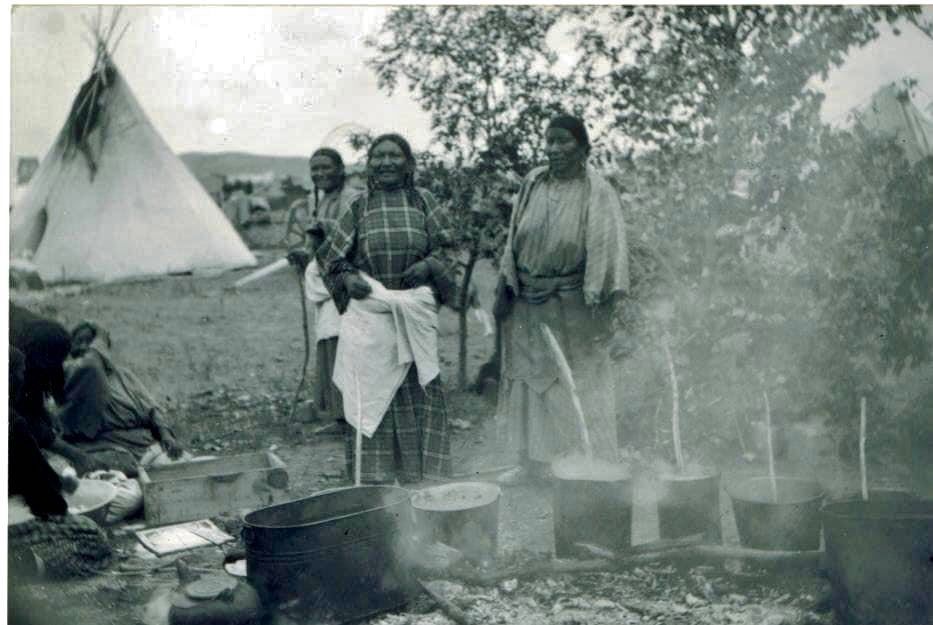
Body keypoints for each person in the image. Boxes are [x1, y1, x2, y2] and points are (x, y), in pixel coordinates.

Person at [494, 114, 630, 482]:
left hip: (572, 301)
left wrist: (599, 299)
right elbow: (513, 236)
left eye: (563, 142)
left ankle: (588, 466)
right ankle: (533, 465)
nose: (554, 149)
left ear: (583, 148)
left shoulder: (596, 190)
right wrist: (508, 282)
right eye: (549, 141)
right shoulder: (533, 182)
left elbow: (608, 247)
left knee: (577, 382)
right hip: (529, 299)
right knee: (529, 381)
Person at [321, 133, 458, 484]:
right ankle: (376, 487)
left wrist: (428, 267)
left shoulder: (424, 202)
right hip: (372, 325)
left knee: (417, 393)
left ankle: (422, 483)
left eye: (394, 155)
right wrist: (349, 278)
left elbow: (450, 250)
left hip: (412, 321)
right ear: (369, 165)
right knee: (374, 398)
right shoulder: (359, 207)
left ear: (409, 163)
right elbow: (332, 259)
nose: (385, 162)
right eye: (378, 156)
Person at [287, 147, 364, 422]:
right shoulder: (320, 200)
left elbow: (355, 237)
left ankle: (347, 415)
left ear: (341, 169)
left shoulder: (352, 197)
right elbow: (316, 244)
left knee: (342, 344)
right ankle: (335, 411)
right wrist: (304, 253)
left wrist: (323, 229)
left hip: (345, 281)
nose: (320, 174)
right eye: (315, 169)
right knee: (329, 341)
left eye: (326, 168)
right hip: (325, 281)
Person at [54, 321, 184, 477]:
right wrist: (99, 341)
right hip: (104, 449)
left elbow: (151, 410)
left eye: (88, 342)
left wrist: (165, 434)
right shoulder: (71, 375)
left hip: (143, 445)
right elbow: (89, 365)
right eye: (78, 342)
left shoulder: (123, 375)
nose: (83, 347)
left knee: (186, 469)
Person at [9, 304, 103, 476]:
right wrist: (75, 454)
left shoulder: (44, 335)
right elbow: (19, 413)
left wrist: (45, 413)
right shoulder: (16, 353)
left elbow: (35, 386)